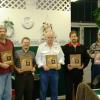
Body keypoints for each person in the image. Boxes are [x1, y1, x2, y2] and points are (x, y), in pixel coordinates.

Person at [36, 31, 64, 100]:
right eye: (48, 37)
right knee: (43, 90)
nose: (50, 39)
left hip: (54, 71)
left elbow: (62, 56)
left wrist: (60, 63)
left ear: (54, 38)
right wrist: (43, 65)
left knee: (54, 90)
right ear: (45, 38)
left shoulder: (57, 46)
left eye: (52, 37)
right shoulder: (41, 46)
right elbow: (37, 58)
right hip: (44, 71)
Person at [63, 31, 90, 100]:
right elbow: (62, 59)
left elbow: (87, 58)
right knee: (68, 91)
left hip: (79, 73)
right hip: (68, 73)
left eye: (75, 36)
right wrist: (67, 66)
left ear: (77, 37)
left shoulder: (82, 47)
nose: (73, 38)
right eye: (72, 37)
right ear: (70, 38)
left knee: (78, 91)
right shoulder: (65, 47)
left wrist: (83, 65)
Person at [0, 24, 15, 100]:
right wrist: (1, 64)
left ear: (6, 32)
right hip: (0, 73)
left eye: (4, 31)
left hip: (9, 72)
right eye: (0, 31)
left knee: (8, 94)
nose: (2, 33)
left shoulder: (10, 42)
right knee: (0, 94)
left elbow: (13, 55)